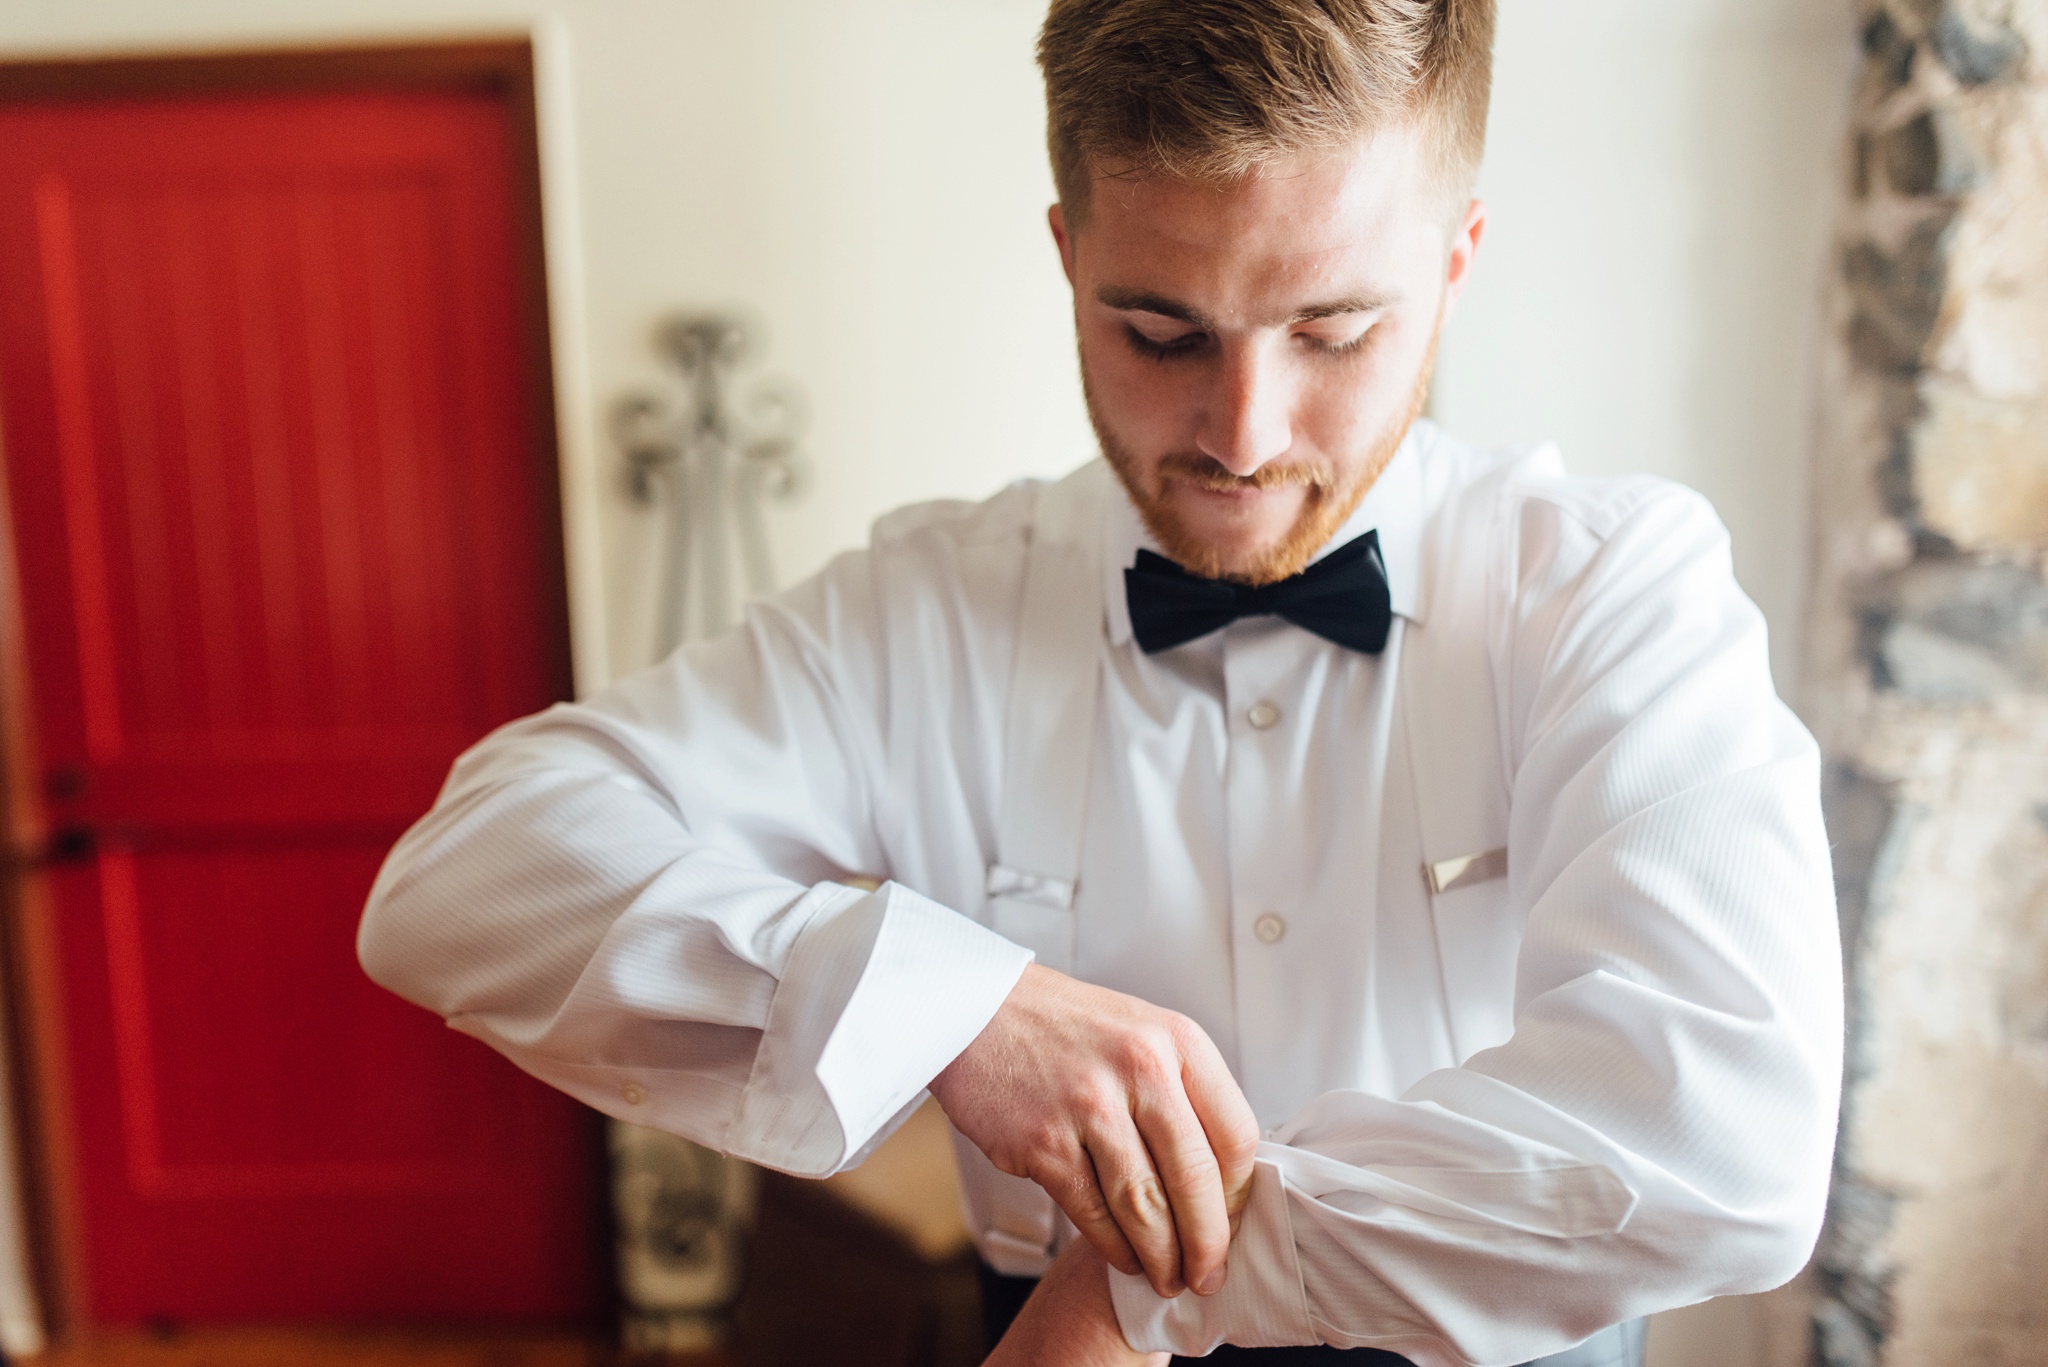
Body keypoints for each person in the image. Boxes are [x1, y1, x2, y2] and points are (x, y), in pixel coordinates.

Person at [358, 1, 1844, 1362]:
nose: (1244, 435)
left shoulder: (1611, 589)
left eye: (1335, 328)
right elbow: (461, 876)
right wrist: (946, 1006)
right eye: (1159, 331)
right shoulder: (922, 609)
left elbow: (1729, 1135)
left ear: (1454, 258)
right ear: (1069, 253)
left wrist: (1146, 1275)